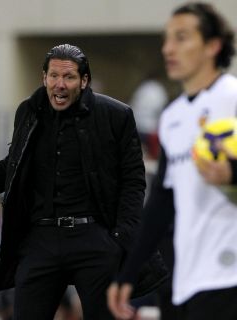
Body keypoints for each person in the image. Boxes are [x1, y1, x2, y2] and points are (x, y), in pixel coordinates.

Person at [0, 44, 166, 319]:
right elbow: (12, 165)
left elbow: (134, 181)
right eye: (53, 76)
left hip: (95, 240)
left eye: (69, 77)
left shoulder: (116, 115)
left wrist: (119, 236)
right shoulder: (29, 112)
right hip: (41, 240)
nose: (60, 85)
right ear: (44, 77)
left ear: (84, 81)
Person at [107, 3, 237, 320]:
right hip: (185, 279)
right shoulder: (172, 117)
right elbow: (161, 202)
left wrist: (233, 172)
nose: (169, 48)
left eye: (181, 38)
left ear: (212, 45)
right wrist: (129, 271)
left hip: (230, 274)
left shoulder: (232, 97)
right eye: (167, 39)